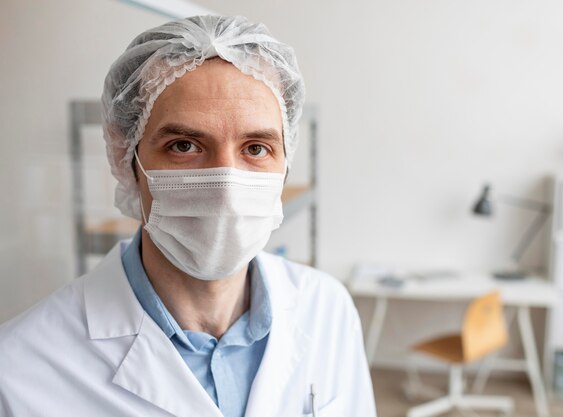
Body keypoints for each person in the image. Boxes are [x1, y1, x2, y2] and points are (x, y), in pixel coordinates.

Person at [0, 14, 376, 417]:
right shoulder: (19, 371)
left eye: (255, 148)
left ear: (286, 162)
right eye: (184, 145)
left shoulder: (327, 310)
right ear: (127, 159)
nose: (226, 186)